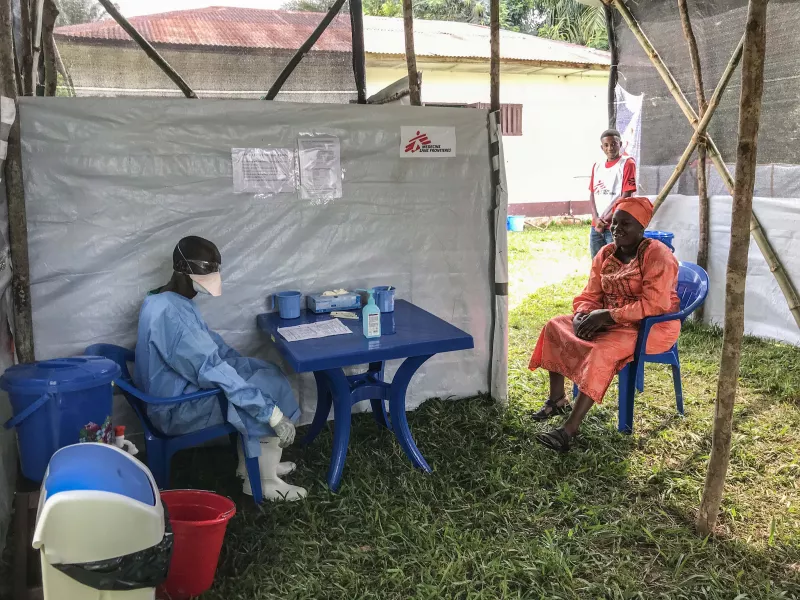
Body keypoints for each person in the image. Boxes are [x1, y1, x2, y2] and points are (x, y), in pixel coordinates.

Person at [134, 236, 307, 501]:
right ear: (180, 267)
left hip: (174, 393)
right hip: (176, 409)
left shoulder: (166, 299)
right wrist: (272, 414)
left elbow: (212, 349)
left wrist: (250, 368)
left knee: (267, 372)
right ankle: (261, 480)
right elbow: (209, 367)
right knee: (265, 390)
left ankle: (258, 462)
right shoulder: (171, 315)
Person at [528, 197, 679, 452]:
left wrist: (606, 316)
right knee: (556, 326)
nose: (617, 229)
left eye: (625, 224)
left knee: (601, 351)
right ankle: (557, 399)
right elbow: (590, 294)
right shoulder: (606, 253)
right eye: (615, 223)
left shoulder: (657, 255)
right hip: (607, 320)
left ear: (641, 228)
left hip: (649, 327)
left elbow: (655, 304)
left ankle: (570, 429)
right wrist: (583, 314)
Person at [589, 129, 637, 258]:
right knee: (597, 262)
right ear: (602, 147)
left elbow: (626, 195)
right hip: (597, 226)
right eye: (606, 145)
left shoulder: (627, 163)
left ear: (620, 144)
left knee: (616, 264)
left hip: (616, 225)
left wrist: (604, 220)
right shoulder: (597, 166)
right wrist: (595, 218)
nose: (610, 148)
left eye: (614, 144)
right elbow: (592, 194)